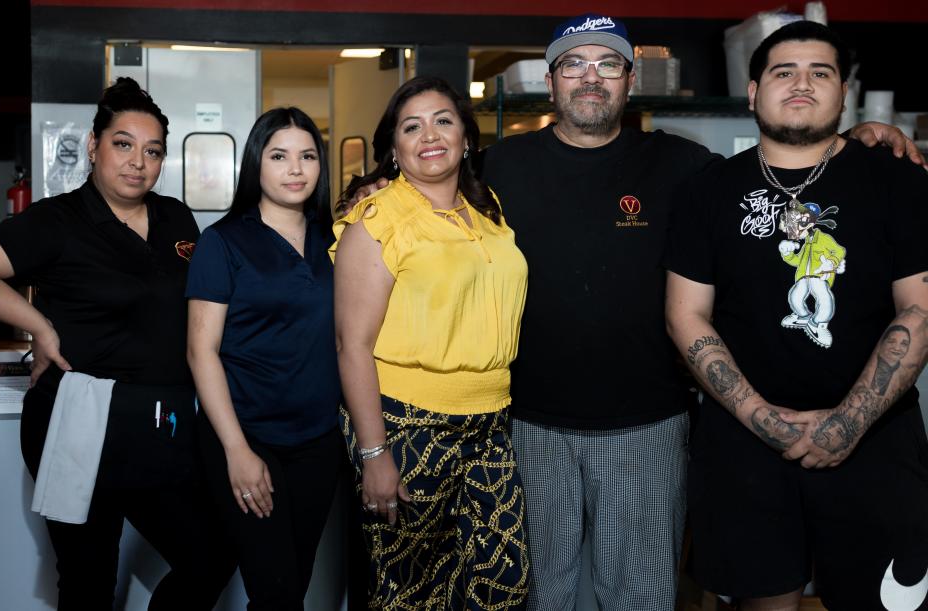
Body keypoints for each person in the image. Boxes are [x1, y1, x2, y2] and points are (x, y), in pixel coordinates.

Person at [343, 15, 922, 610]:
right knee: (537, 597)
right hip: (527, 428)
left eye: (607, 65)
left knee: (640, 598)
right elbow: (426, 176)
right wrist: (376, 187)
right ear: (551, 81)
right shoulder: (498, 168)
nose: (590, 78)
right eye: (574, 64)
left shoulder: (687, 167)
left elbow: (787, 162)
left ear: (628, 80)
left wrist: (867, 137)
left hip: (648, 426)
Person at [665, 20, 928, 610]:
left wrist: (847, 424)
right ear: (754, 91)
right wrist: (768, 423)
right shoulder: (707, 191)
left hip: (878, 442)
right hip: (744, 448)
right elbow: (687, 318)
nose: (802, 84)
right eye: (784, 72)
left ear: (843, 92)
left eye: (821, 72)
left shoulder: (898, 182)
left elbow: (921, 309)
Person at [0, 77, 235, 610]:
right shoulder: (58, 220)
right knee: (89, 582)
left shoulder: (176, 217)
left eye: (152, 150)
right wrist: (39, 326)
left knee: (211, 555)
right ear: (94, 146)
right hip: (78, 420)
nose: (138, 161)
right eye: (123, 144)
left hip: (161, 421)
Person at [331, 76, 530, 609]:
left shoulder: (489, 211)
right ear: (394, 150)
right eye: (411, 126)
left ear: (467, 137)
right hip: (406, 424)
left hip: (491, 423)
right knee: (412, 593)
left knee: (500, 588)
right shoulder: (376, 220)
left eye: (443, 120)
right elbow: (352, 345)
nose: (429, 135)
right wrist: (374, 455)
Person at [186, 107, 345, 610]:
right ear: (257, 163)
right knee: (275, 592)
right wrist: (236, 449)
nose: (295, 169)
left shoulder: (336, 240)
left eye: (307, 156)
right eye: (279, 155)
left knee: (292, 585)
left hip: (319, 442)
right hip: (249, 437)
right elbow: (200, 351)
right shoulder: (223, 242)